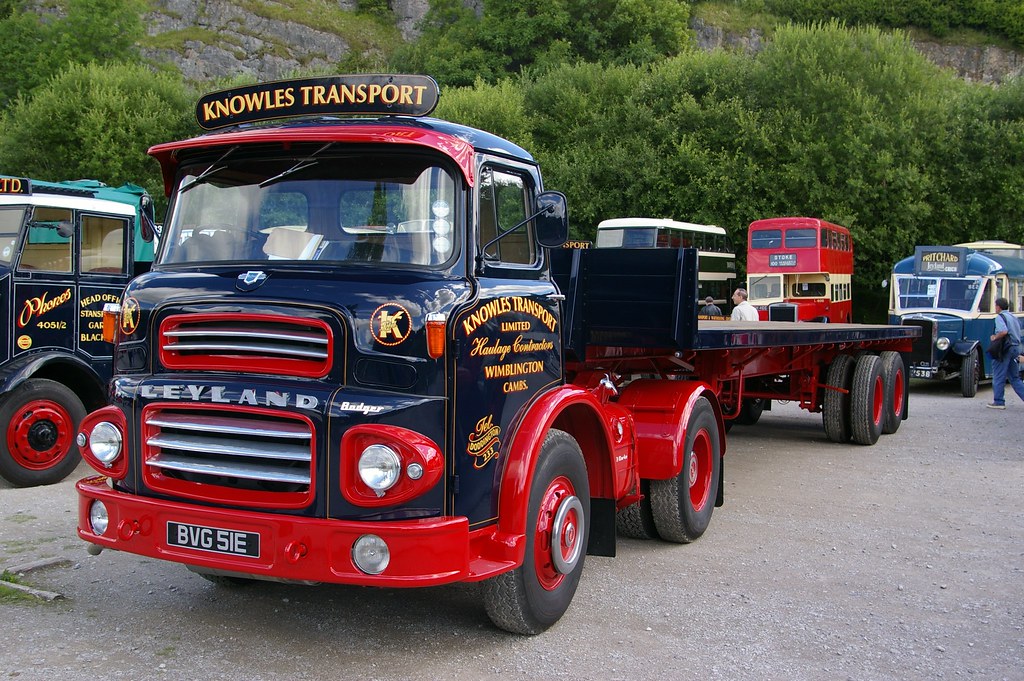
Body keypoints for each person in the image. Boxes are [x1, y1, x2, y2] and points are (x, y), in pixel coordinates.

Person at [986, 297, 1024, 409]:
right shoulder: (1013, 317)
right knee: (1014, 377)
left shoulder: (1000, 317)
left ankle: (998, 401)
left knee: (998, 374)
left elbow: (1003, 331)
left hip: (1005, 349)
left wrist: (994, 338)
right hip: (1015, 348)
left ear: (998, 306)